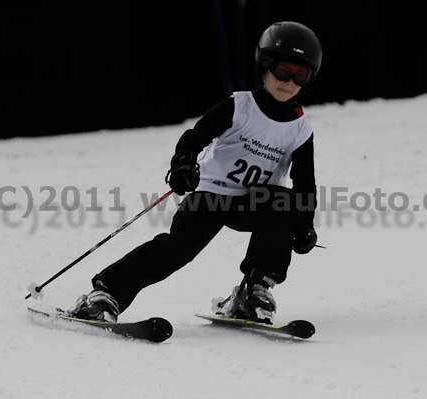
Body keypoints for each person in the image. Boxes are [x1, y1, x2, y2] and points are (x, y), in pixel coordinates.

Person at [67, 21, 322, 325]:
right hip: (212, 196)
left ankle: (254, 291)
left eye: (301, 75)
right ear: (265, 65)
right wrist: (183, 166)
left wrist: (305, 223)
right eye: (284, 70)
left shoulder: (300, 129)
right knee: (178, 250)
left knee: (284, 201)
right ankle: (105, 295)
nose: (290, 82)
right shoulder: (240, 106)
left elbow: (305, 183)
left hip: (255, 203)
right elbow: (194, 137)